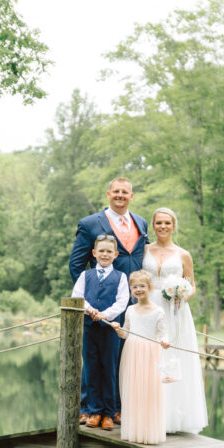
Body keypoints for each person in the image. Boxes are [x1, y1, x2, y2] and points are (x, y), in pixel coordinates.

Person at [69, 176, 148, 422]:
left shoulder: (141, 223)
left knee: (122, 358)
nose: (120, 195)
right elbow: (76, 266)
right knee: (93, 357)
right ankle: (87, 408)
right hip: (99, 306)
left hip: (132, 304)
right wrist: (91, 301)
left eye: (125, 192)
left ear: (131, 196)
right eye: (116, 191)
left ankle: (116, 408)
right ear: (108, 194)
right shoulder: (90, 223)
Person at [142, 207, 208, 434]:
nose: (162, 227)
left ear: (174, 225)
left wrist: (182, 295)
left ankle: (174, 418)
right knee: (149, 357)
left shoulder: (183, 254)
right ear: (153, 225)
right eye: (158, 223)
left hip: (174, 310)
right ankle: (148, 414)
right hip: (148, 308)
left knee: (173, 358)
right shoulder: (144, 251)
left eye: (167, 223)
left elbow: (192, 284)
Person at [72, 234, 129, 431]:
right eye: (101, 251)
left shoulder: (121, 277)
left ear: (116, 254)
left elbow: (122, 302)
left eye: (109, 251)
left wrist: (104, 314)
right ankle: (94, 411)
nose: (105, 254)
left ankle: (108, 413)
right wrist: (91, 310)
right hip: (89, 328)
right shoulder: (85, 276)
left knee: (109, 369)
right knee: (91, 368)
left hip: (110, 330)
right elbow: (77, 296)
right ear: (94, 253)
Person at [112, 270, 169, 445]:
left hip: (150, 354)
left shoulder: (158, 311)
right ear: (131, 289)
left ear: (150, 288)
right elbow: (126, 334)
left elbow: (162, 334)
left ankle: (149, 433)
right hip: (132, 352)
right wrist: (118, 329)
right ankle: (134, 431)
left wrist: (164, 341)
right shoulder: (130, 310)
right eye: (135, 286)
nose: (138, 289)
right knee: (134, 390)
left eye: (142, 286)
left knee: (149, 391)